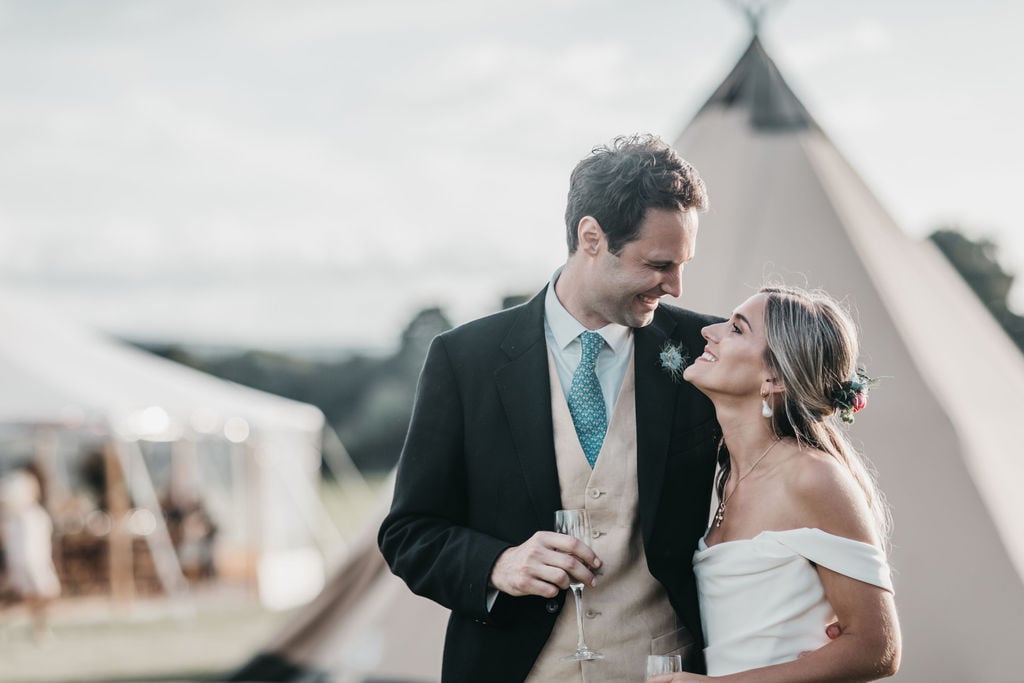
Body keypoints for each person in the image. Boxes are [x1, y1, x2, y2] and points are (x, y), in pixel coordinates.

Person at [378, 134, 723, 681]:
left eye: (682, 265)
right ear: (591, 237)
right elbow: (409, 532)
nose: (676, 286)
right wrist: (498, 564)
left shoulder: (710, 349)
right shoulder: (464, 359)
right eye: (658, 264)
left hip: (664, 668)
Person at [649, 286, 901, 682]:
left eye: (736, 329)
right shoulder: (724, 475)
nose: (709, 332)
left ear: (775, 378)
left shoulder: (811, 476)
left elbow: (877, 648)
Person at [0, 466, 61, 642]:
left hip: (33, 560)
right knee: (39, 593)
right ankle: (39, 628)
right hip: (29, 561)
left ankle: (39, 628)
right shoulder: (20, 516)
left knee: (39, 595)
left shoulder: (32, 515)